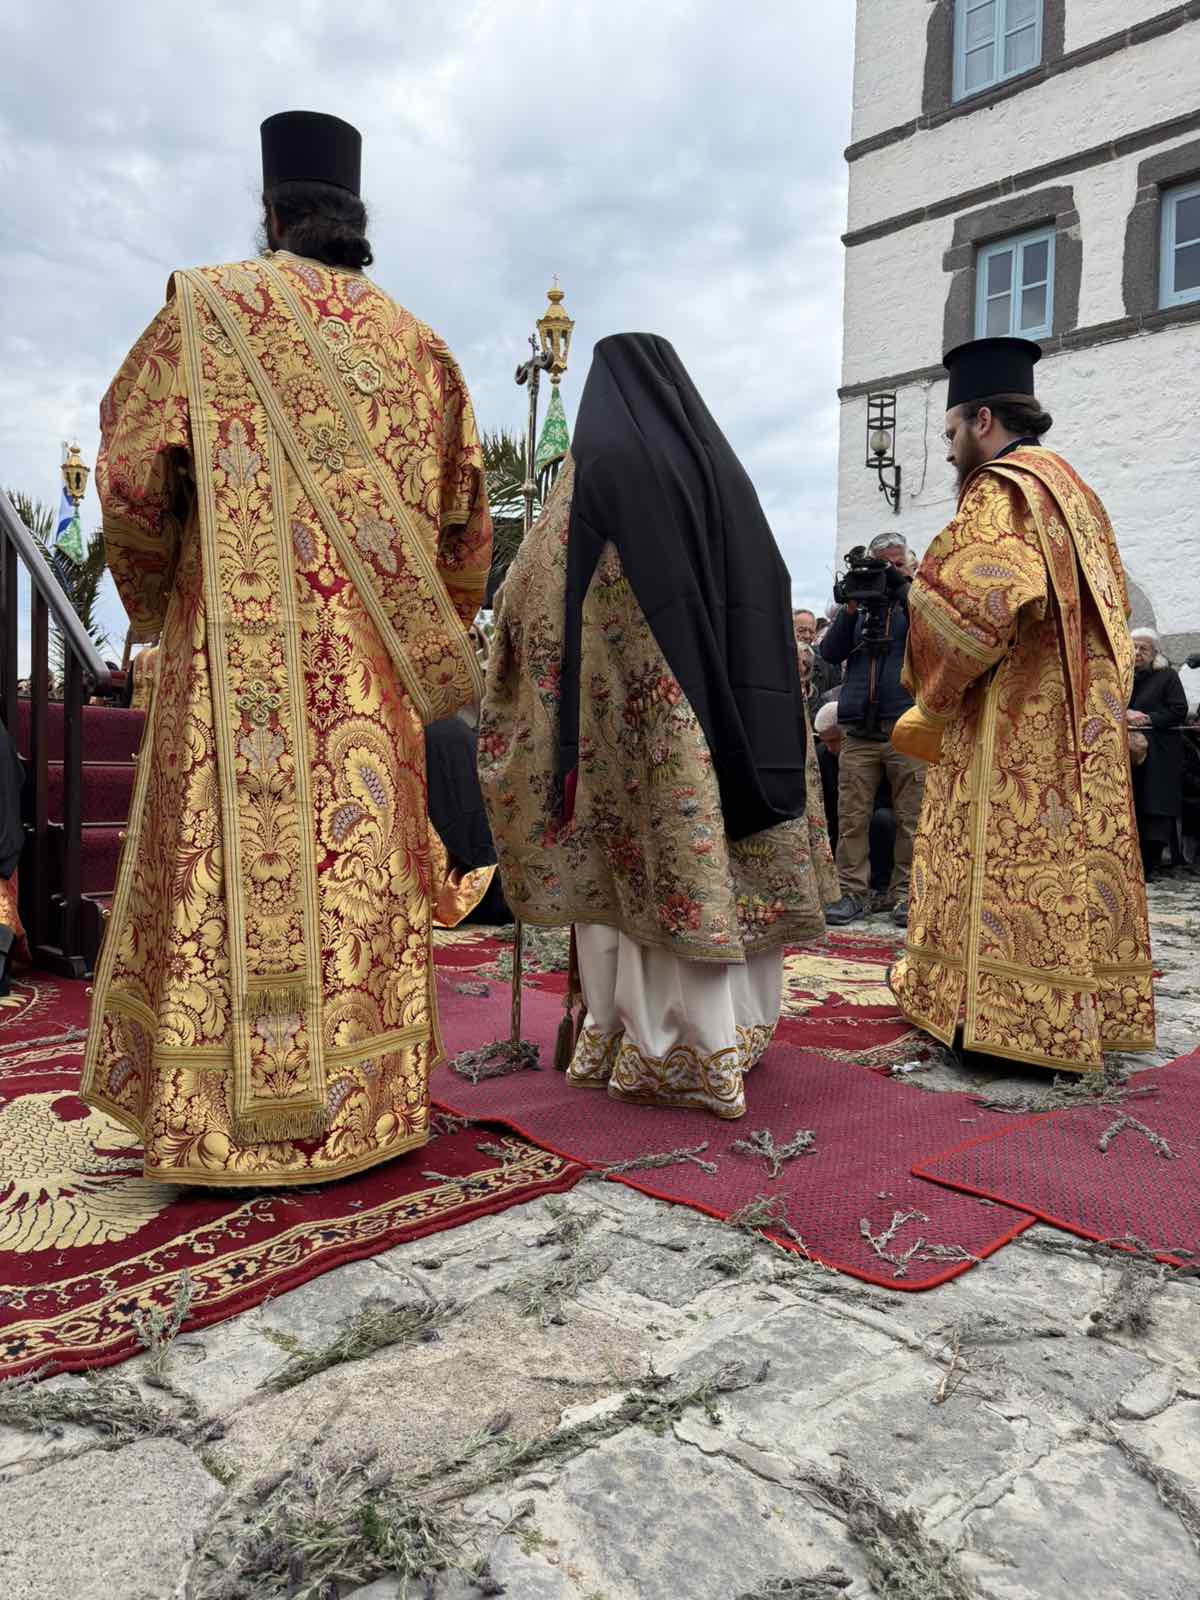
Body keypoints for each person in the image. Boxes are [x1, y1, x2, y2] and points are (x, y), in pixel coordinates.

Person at [82, 111, 492, 1184]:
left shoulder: (208, 308)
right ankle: (367, 1108)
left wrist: (160, 602)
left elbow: (130, 484)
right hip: (369, 695)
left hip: (230, 680)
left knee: (225, 882)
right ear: (356, 219)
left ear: (272, 215)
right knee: (357, 882)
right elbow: (463, 546)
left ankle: (214, 1118)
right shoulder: (423, 349)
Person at [480, 333, 825, 1119]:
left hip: (649, 731)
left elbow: (533, 597)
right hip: (742, 721)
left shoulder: (600, 468)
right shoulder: (724, 473)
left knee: (652, 873)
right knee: (715, 866)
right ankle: (737, 1033)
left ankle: (664, 1044)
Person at [889, 336, 1153, 1074]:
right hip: (1081, 725)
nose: (948, 449)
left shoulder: (1000, 488)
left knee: (1002, 861)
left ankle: (997, 1022)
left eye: (950, 431)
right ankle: (1076, 1016)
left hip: (1012, 726)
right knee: (1070, 867)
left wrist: (931, 694)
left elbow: (975, 606)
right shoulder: (1076, 493)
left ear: (982, 420)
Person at [818, 532, 926, 928]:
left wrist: (904, 591)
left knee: (911, 818)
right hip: (859, 728)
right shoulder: (859, 609)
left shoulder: (919, 603)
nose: (888, 573)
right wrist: (849, 608)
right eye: (883, 566)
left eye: (897, 565)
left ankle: (906, 894)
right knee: (852, 817)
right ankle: (852, 893)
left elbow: (933, 635)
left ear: (910, 566)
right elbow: (830, 653)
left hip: (906, 725)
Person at [1127, 629, 1188, 878]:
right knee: (1134, 805)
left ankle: (1150, 865)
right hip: (1130, 751)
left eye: (1144, 649)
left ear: (1155, 653)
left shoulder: (1167, 676)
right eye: (1134, 647)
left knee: (1155, 808)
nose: (1138, 653)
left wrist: (1148, 718)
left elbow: (1179, 709)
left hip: (1159, 753)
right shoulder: (1124, 676)